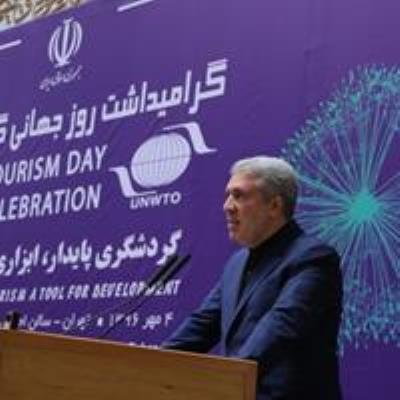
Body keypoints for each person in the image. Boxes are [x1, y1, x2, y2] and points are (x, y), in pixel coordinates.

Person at [163, 156, 342, 400]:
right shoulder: (236, 264)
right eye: (227, 195)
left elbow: (281, 326)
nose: (227, 206)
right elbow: (201, 325)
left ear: (274, 206)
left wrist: (227, 380)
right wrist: (150, 365)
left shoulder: (313, 258)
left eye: (239, 195)